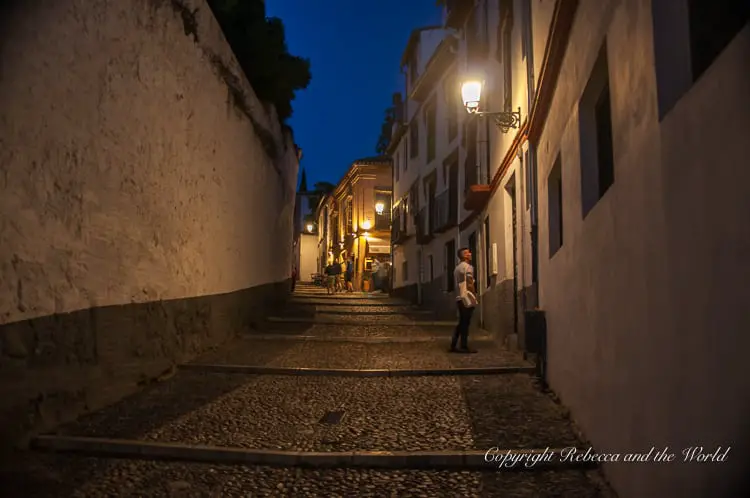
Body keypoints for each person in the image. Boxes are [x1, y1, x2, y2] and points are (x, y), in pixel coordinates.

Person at [452, 247, 478, 353]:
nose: (470, 254)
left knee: (461, 322)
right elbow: (470, 282)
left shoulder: (457, 268)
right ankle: (464, 346)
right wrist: (474, 296)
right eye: (467, 253)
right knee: (465, 323)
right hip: (466, 297)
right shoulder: (468, 267)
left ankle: (454, 344)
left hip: (459, 297)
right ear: (463, 256)